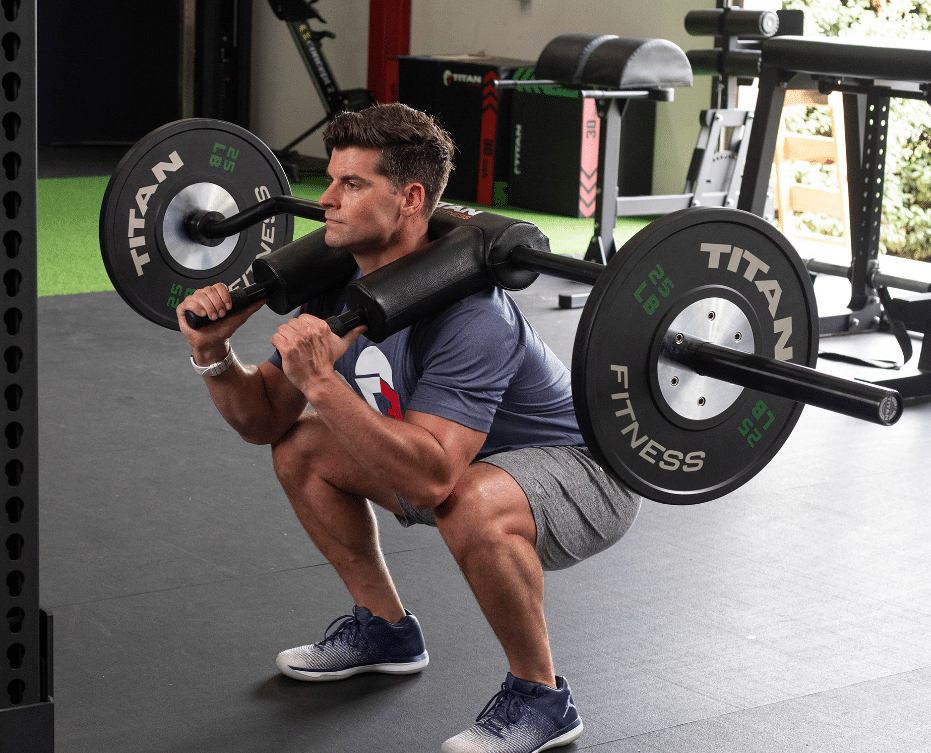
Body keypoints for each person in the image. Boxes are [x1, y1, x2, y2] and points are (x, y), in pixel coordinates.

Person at [177, 102, 640, 753]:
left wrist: (321, 383)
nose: (327, 200)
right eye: (331, 180)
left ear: (410, 197)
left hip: (581, 472)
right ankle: (385, 630)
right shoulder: (340, 279)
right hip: (461, 462)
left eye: (352, 184)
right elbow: (263, 420)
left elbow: (430, 480)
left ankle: (542, 697)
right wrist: (214, 354)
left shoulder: (474, 316)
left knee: (470, 498)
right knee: (302, 448)